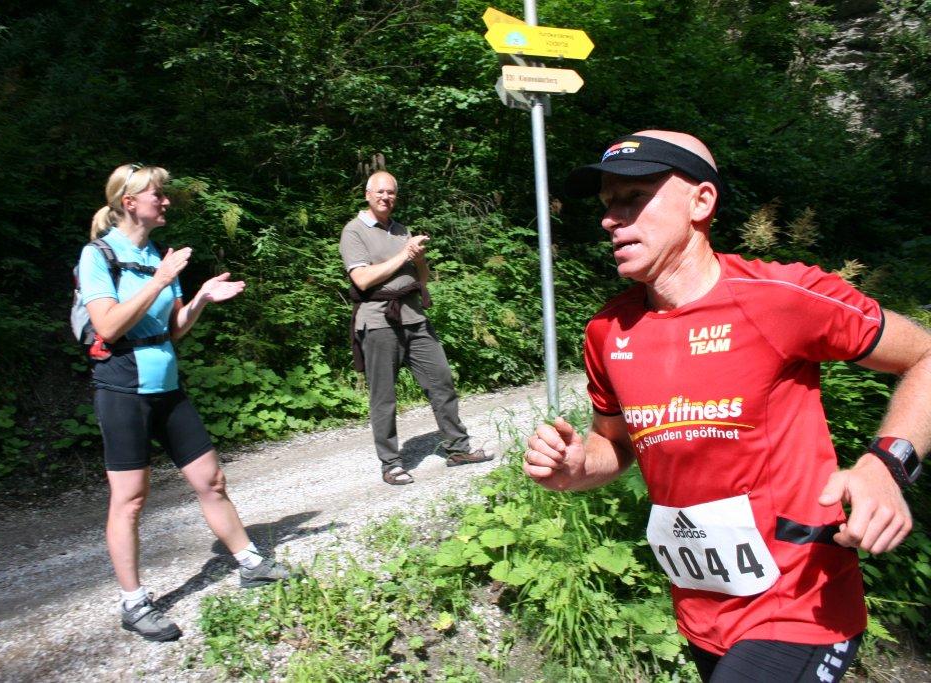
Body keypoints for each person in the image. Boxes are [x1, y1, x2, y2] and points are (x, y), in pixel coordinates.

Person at [522, 131, 931, 681]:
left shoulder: (781, 297)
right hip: (700, 611)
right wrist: (576, 466)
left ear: (701, 201)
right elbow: (614, 445)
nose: (610, 219)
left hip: (800, 605)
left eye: (634, 197)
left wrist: (887, 464)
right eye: (607, 204)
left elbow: (924, 355)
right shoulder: (607, 329)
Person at [79, 163, 289, 642]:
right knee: (131, 499)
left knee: (210, 479)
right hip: (122, 389)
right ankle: (134, 603)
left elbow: (172, 329)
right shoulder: (98, 255)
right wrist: (160, 279)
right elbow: (108, 326)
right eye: (158, 194)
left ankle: (250, 563)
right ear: (130, 202)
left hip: (167, 386)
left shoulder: (158, 255)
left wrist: (200, 299)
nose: (166, 201)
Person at [339, 171, 493, 485]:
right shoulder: (354, 231)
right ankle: (391, 463)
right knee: (384, 397)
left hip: (414, 317)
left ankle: (458, 449)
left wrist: (418, 257)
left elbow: (421, 279)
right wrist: (404, 253)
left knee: (442, 381)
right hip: (378, 320)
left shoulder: (401, 230)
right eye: (380, 192)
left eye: (391, 192)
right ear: (367, 195)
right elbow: (363, 280)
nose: (386, 197)